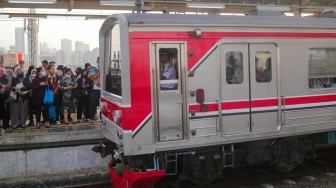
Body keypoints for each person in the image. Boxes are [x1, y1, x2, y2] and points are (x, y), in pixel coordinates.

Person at [89, 57, 100, 123]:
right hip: (96, 88)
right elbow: (93, 77)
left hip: (104, 88)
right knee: (94, 103)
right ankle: (91, 117)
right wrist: (99, 72)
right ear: (97, 61)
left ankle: (102, 116)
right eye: (99, 60)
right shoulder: (94, 68)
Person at [0, 68, 11, 133]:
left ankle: (6, 126)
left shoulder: (7, 77)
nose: (1, 72)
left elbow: (9, 85)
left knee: (6, 113)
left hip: (6, 98)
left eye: (2, 71)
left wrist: (4, 87)